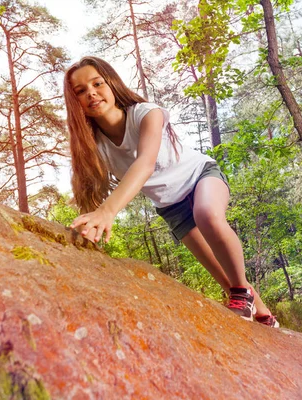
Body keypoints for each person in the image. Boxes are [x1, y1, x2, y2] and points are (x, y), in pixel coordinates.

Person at [63, 56, 279, 328]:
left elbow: (145, 163)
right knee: (224, 278)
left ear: (113, 84)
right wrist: (89, 223)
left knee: (207, 215)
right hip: (170, 206)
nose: (91, 93)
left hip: (200, 177)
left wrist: (108, 212)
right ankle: (263, 314)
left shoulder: (145, 113)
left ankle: (242, 293)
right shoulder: (93, 145)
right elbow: (92, 190)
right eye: (80, 91)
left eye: (97, 83)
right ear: (75, 102)